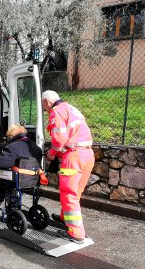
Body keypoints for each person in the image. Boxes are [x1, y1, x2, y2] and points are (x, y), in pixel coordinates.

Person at [42, 90, 94, 244]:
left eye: (44, 106)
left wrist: (51, 154)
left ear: (47, 102)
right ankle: (65, 218)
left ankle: (76, 233)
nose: (45, 109)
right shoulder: (71, 108)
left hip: (73, 156)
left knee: (68, 193)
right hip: (88, 155)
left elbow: (59, 139)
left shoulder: (56, 111)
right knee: (76, 192)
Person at [0, 125, 42, 213]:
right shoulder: (35, 147)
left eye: (7, 137)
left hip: (17, 180)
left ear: (12, 136)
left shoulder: (13, 147)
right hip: (33, 180)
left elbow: (1, 164)